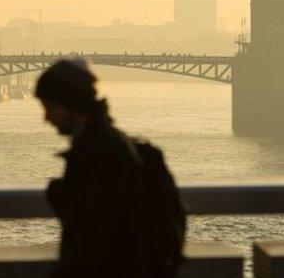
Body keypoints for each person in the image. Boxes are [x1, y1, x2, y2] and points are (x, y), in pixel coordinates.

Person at [36, 58, 183, 278]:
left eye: (50, 108)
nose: (46, 118)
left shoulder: (102, 155)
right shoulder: (109, 147)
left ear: (71, 104)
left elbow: (96, 240)